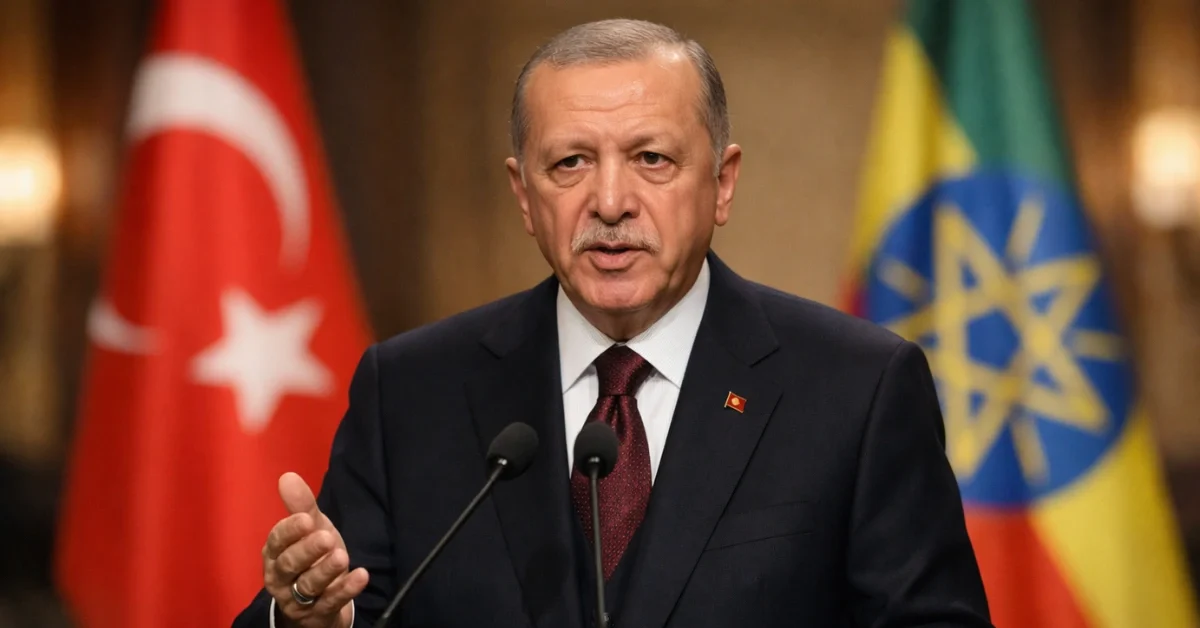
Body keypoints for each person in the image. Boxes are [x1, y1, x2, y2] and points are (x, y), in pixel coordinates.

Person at [233, 18, 991, 628]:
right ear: (524, 196)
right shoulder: (411, 392)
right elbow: (340, 607)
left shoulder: (857, 388)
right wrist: (300, 618)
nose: (610, 201)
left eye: (652, 158)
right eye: (569, 164)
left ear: (722, 184)